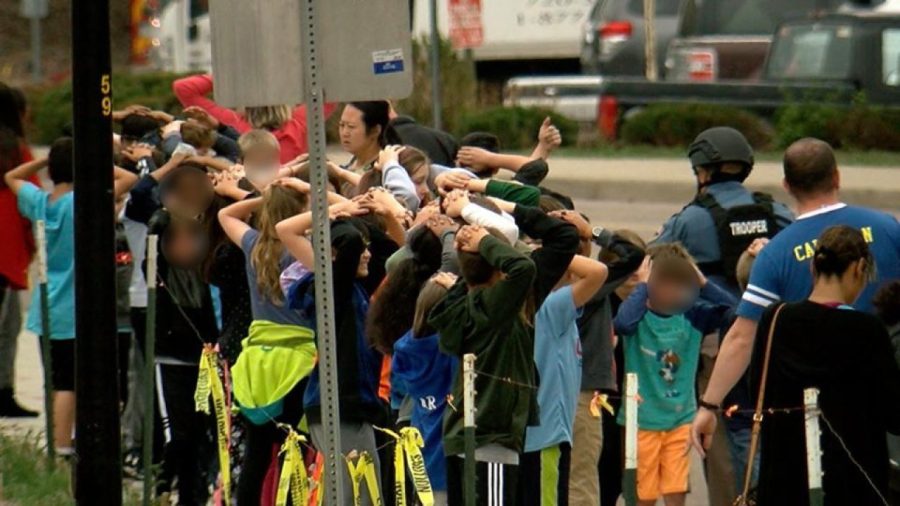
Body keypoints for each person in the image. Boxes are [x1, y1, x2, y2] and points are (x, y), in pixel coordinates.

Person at [691, 138, 900, 457]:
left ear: (787, 185)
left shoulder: (775, 253)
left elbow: (741, 339)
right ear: (837, 176)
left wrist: (709, 404)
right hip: (889, 399)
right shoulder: (888, 228)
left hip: (818, 417)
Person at [749, 225, 900, 504]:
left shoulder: (775, 319)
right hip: (854, 482)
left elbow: (755, 389)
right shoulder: (867, 330)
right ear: (860, 267)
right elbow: (893, 413)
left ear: (812, 266)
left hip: (783, 479)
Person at [278, 202, 386, 506]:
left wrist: (365, 211)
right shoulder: (331, 289)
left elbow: (386, 247)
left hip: (355, 405)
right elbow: (285, 230)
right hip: (336, 403)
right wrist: (333, 211)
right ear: (335, 255)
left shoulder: (356, 288)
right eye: (359, 248)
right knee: (353, 493)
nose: (366, 253)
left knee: (358, 491)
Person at [217, 182, 317, 505]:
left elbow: (225, 214)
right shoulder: (303, 249)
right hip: (298, 360)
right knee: (295, 450)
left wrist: (264, 197)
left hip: (258, 361)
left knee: (256, 456)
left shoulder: (253, 245)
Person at [613, 243, 736, 506]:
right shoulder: (638, 314)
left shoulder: (693, 315)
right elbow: (622, 324)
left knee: (675, 490)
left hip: (680, 419)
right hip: (641, 420)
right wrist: (643, 286)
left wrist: (702, 282)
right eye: (662, 283)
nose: (670, 291)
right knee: (642, 495)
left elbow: (734, 312)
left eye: (679, 284)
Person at [429, 225, 537, 505]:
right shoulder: (494, 307)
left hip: (465, 435)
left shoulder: (462, 306)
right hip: (490, 436)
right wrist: (485, 241)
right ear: (498, 266)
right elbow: (524, 268)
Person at [551, 212, 646, 506]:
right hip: (581, 396)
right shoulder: (587, 283)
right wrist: (594, 230)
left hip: (549, 392)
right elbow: (632, 254)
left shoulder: (541, 278)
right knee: (581, 482)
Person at [655, 127, 793, 293]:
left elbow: (649, 262)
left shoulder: (688, 220)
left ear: (702, 173)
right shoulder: (778, 212)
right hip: (770, 313)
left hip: (712, 315)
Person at [518, 253, 609, 506]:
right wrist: (554, 252)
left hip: (543, 435)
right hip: (546, 435)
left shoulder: (552, 309)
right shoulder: (551, 306)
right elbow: (597, 272)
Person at [4, 138, 76, 452]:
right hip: (74, 304)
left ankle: (55, 437)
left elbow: (12, 177)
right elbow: (126, 181)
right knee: (70, 382)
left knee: (56, 378)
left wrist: (44, 161)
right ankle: (62, 444)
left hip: (47, 303)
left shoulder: (39, 202)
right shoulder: (78, 203)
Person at [391, 273, 460, 505]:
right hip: (450, 461)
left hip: (422, 458)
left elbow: (398, 393)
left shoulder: (406, 351)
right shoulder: (451, 349)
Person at [172, 73, 336, 163]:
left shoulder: (231, 123)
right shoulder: (301, 122)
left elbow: (183, 88)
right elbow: (332, 86)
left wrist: (239, 74)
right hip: (296, 203)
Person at [0, 83, 38, 418]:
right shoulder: (15, 150)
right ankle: (3, 390)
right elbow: (31, 197)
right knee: (7, 326)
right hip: (6, 244)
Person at [338, 101, 390, 174]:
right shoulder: (348, 167)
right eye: (342, 125)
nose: (344, 133)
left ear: (375, 131)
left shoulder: (386, 170)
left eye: (351, 126)